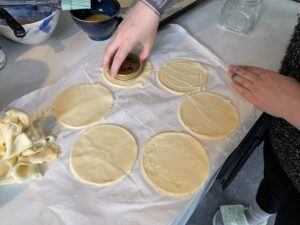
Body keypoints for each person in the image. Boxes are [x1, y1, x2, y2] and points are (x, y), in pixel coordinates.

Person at [102, 1, 300, 225]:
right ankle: (256, 215)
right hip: (287, 133)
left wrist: (293, 103)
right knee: (276, 176)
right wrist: (152, 6)